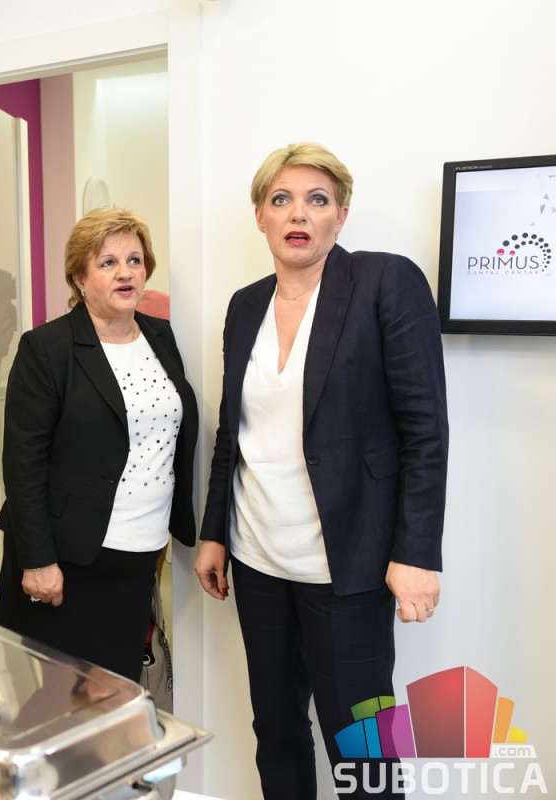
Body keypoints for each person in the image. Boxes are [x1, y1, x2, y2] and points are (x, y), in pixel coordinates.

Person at [193, 143, 448, 799]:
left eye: (317, 199)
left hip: (348, 568)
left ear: (341, 214)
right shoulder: (245, 306)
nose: (298, 213)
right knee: (277, 731)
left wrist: (417, 553)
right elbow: (232, 433)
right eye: (281, 199)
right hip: (257, 561)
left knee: (363, 752)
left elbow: (425, 430)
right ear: (260, 216)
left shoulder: (384, 282)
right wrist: (215, 532)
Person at [0, 208, 198, 682]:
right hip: (68, 559)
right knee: (53, 700)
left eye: (134, 260)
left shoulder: (161, 336)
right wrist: (38, 560)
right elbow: (23, 463)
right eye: (108, 263)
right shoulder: (47, 348)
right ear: (79, 278)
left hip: (140, 552)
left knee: (117, 691)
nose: (126, 272)